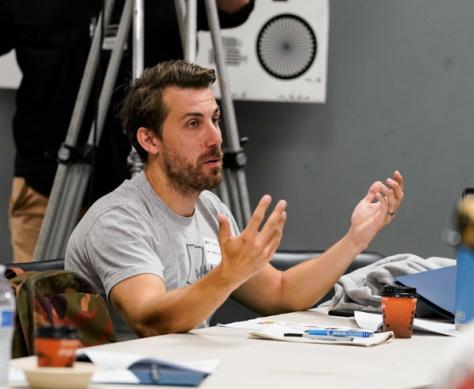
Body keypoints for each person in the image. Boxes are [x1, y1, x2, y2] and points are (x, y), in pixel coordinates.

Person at [65, 59, 405, 337]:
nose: (215, 138)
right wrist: (227, 274)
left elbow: (281, 293)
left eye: (214, 119)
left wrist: (354, 239)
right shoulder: (118, 219)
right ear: (149, 140)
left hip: (190, 385)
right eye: (193, 124)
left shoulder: (209, 209)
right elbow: (151, 321)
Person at [2, 0, 254, 262]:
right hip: (49, 180)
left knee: (164, 296)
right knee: (42, 298)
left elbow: (233, 7)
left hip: (163, 186)